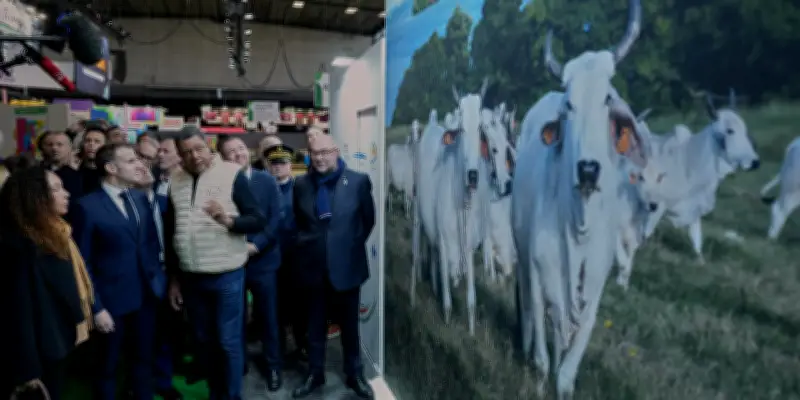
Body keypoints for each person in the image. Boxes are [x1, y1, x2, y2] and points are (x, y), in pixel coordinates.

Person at [164, 126, 267, 400]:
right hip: (191, 277)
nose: (194, 156)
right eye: (186, 152)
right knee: (203, 340)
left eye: (198, 149)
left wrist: (228, 221)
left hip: (227, 275)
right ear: (180, 155)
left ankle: (232, 396)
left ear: (208, 146)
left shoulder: (232, 173)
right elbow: (170, 231)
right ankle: (216, 393)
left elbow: (257, 219)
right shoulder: (175, 180)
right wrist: (174, 279)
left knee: (228, 341)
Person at [71, 143, 165, 400]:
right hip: (110, 303)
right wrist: (96, 307)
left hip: (146, 297)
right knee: (107, 365)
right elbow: (82, 263)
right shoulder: (86, 206)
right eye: (131, 160)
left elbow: (150, 244)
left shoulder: (139, 198)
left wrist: (159, 282)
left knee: (143, 359)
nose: (140, 165)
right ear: (111, 168)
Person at [290, 134, 375, 399]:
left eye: (325, 152)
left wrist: (344, 247)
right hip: (312, 269)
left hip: (347, 268)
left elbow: (368, 221)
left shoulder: (358, 182)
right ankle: (315, 374)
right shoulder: (301, 184)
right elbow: (299, 222)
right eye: (314, 153)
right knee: (315, 327)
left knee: (350, 327)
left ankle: (354, 374)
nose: (319, 158)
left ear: (336, 152)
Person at [0, 166, 94, 400]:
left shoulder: (55, 234)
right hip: (36, 358)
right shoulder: (18, 248)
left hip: (55, 344)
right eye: (57, 189)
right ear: (36, 197)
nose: (67, 193)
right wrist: (27, 371)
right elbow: (17, 314)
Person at [217, 136, 283, 390]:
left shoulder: (266, 180)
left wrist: (257, 245)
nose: (238, 154)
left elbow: (276, 218)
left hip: (264, 261)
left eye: (241, 149)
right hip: (231, 261)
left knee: (268, 317)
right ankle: (239, 364)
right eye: (231, 152)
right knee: (236, 318)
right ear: (223, 158)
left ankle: (273, 366)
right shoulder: (220, 183)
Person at [39, 130, 83, 200]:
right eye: (50, 145)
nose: (54, 148)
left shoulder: (81, 172)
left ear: (70, 147)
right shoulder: (39, 172)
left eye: (59, 144)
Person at [78, 127, 108, 195]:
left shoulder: (109, 173)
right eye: (87, 140)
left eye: (97, 141)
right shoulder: (75, 170)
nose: (91, 144)